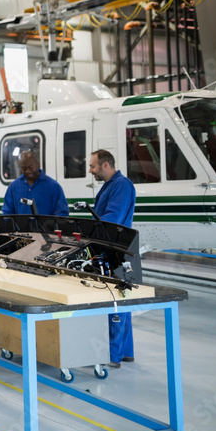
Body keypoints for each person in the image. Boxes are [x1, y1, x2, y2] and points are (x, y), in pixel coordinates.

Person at [88, 149, 137, 368]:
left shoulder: (121, 185)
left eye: (93, 166)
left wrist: (89, 230)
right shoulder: (110, 185)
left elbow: (112, 219)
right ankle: (125, 352)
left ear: (105, 165)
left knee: (115, 302)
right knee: (121, 301)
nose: (91, 170)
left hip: (116, 251)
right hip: (113, 248)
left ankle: (112, 356)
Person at [1, 151, 69, 217]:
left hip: (46, 228)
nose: (28, 171)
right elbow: (7, 213)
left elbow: (62, 214)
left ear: (37, 163)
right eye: (24, 168)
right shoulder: (13, 187)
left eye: (30, 167)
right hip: (20, 229)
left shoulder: (54, 187)